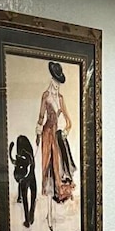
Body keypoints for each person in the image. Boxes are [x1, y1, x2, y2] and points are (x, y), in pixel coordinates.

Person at [36, 60, 75, 206]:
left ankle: (58, 189)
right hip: (46, 132)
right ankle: (44, 190)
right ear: (52, 79)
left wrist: (66, 130)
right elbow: (41, 117)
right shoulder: (45, 96)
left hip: (55, 132)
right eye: (56, 80)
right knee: (46, 161)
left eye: (59, 82)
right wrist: (38, 132)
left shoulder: (60, 98)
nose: (57, 84)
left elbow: (68, 119)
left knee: (56, 162)